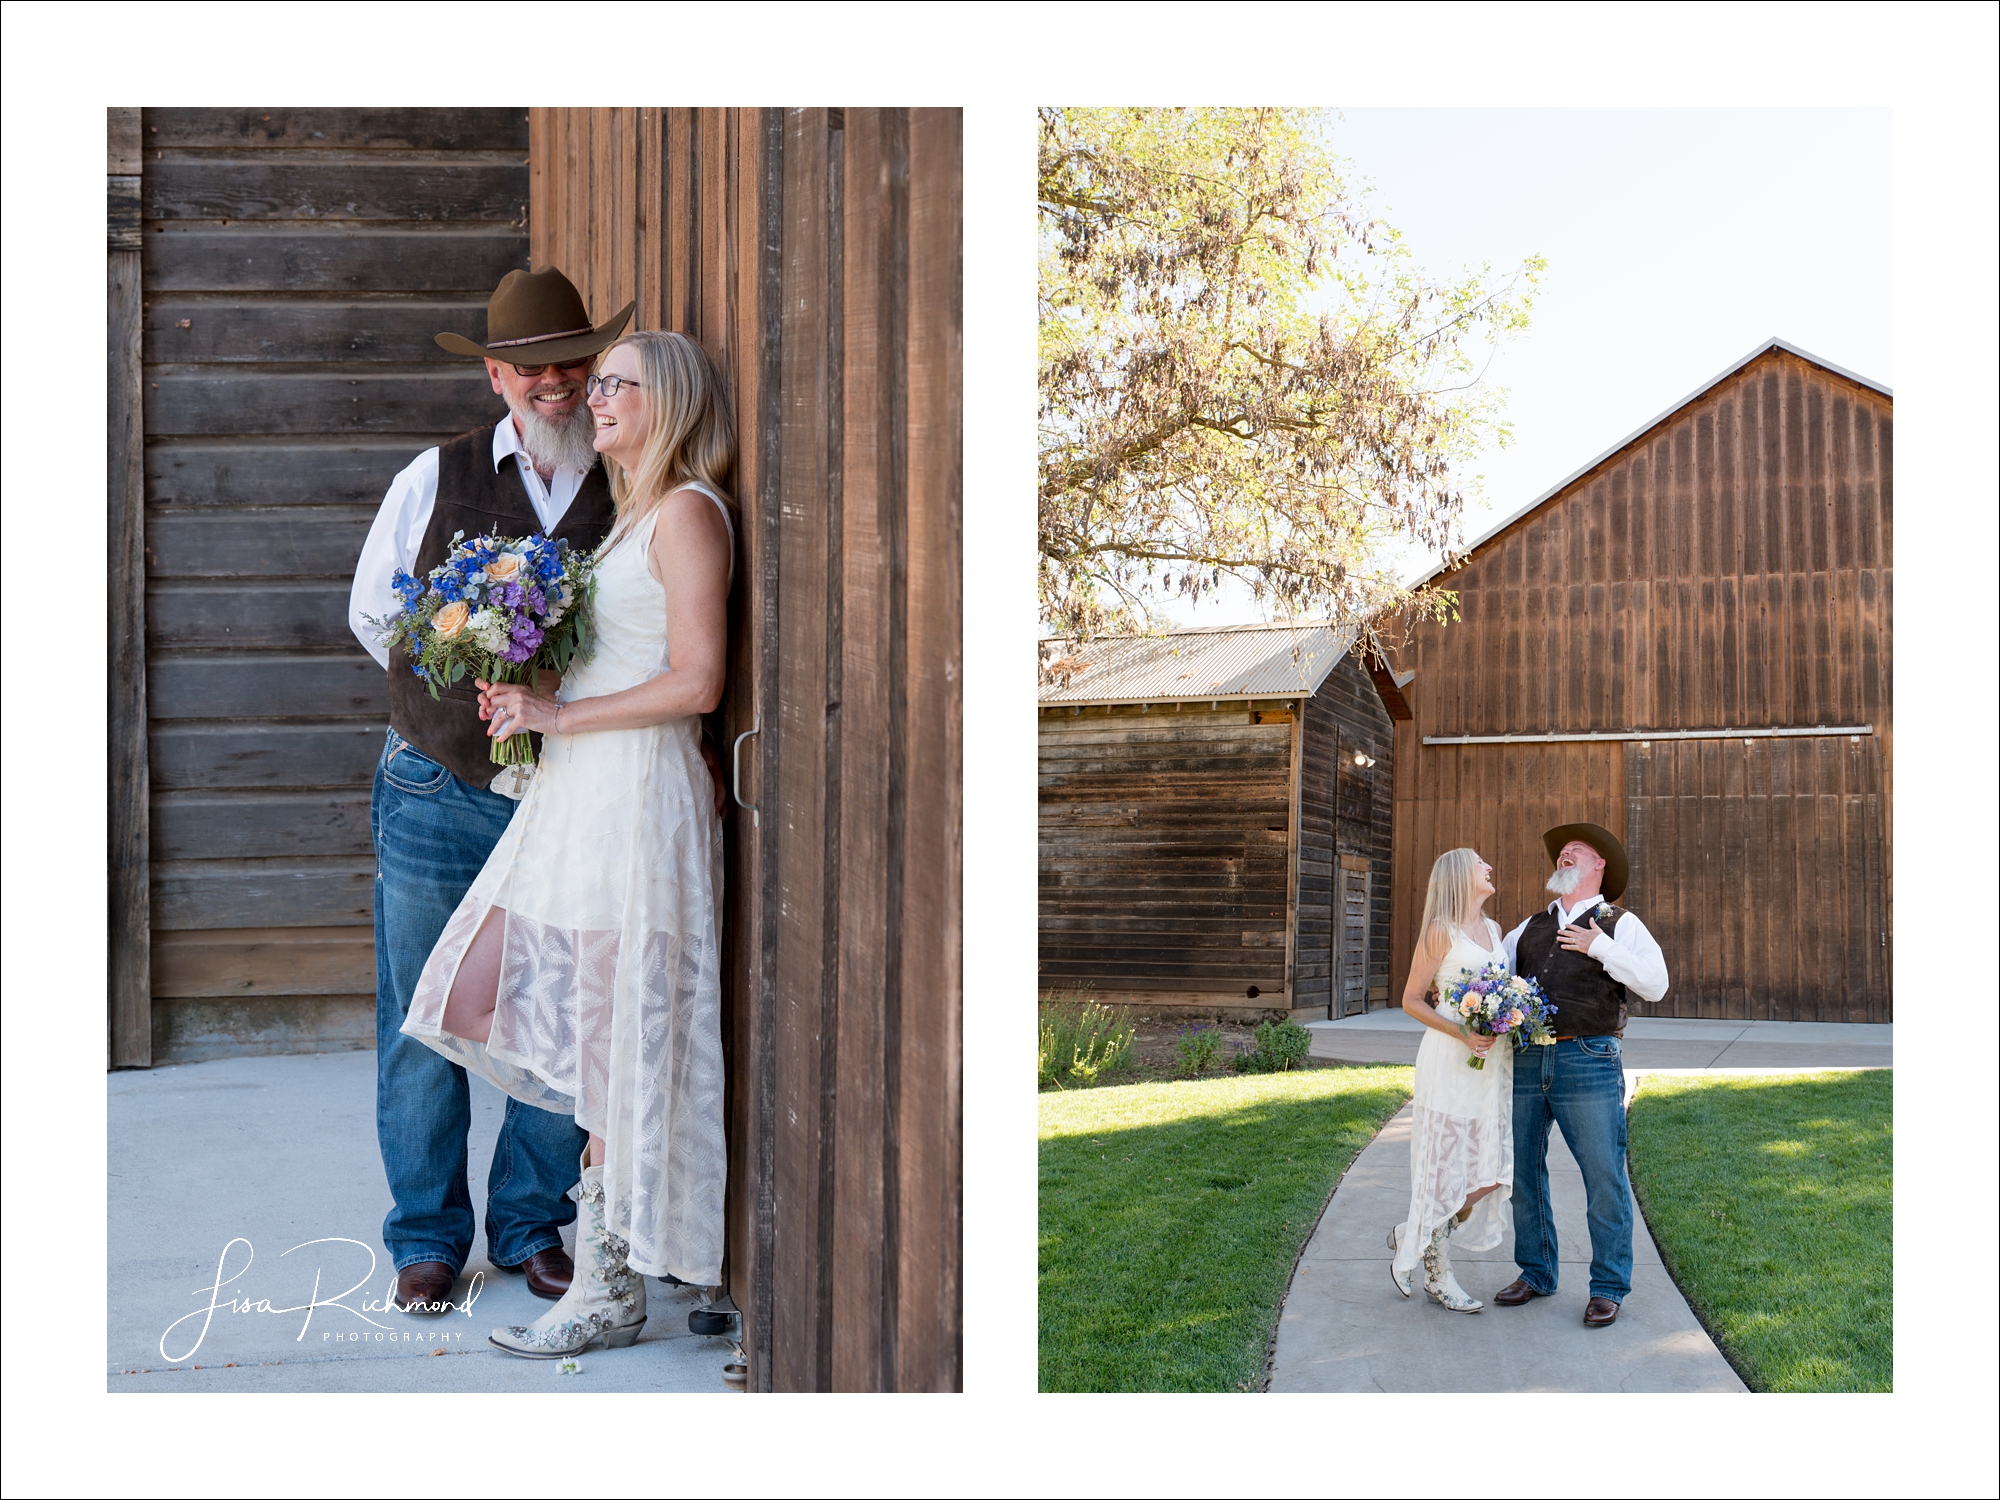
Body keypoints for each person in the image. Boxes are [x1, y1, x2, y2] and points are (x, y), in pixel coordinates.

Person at [398, 329, 735, 1359]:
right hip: (585, 800)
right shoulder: (636, 513)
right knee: (574, 1026)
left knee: (617, 1033)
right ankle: (603, 1274)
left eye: (614, 385)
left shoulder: (686, 512)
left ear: (665, 398)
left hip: (637, 797)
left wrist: (560, 717)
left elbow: (697, 682)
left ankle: (606, 1282)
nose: (593, 399)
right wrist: (532, 698)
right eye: (594, 386)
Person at [348, 266, 634, 1314]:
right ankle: (426, 1240)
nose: (555, 382)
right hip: (436, 784)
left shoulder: (628, 477)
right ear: (498, 375)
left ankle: (530, 1229)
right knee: (422, 1020)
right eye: (533, 366)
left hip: (572, 794)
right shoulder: (438, 474)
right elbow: (376, 613)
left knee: (558, 1014)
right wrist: (461, 675)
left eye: (573, 362)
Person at [1494, 823, 1669, 1328]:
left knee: (1603, 1175)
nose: (1565, 855)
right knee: (1524, 1173)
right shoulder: (1527, 927)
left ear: (1599, 867)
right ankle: (1536, 1271)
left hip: (1589, 1058)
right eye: (1562, 852)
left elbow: (1656, 984)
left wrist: (1599, 947)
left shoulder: (1622, 924)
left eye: (1578, 852)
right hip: (1528, 1059)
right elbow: (1497, 980)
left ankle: (1609, 1285)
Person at [1388, 848, 1513, 1312]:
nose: (1490, 866)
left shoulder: (1495, 930)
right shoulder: (1441, 930)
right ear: (1461, 875)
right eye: (1482, 862)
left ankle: (1415, 1233)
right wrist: (1462, 1030)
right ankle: (1438, 1276)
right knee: (1446, 1167)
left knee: (1492, 1171)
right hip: (1450, 1059)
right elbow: (1412, 999)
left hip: (1492, 1065)